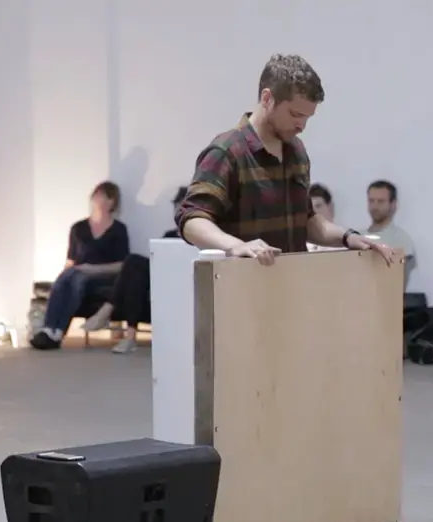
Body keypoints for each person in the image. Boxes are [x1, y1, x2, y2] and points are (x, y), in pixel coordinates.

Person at [175, 53, 396, 266]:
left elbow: (307, 221)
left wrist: (348, 237)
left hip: (292, 289)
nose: (302, 126)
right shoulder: (227, 151)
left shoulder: (296, 151)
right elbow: (192, 219)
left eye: (307, 117)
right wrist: (236, 246)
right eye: (295, 115)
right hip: (243, 292)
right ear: (267, 99)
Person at [83, 185, 187, 354]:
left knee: (134, 264)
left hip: (180, 284)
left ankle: (107, 311)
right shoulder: (169, 236)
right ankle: (129, 336)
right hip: (159, 281)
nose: (179, 212)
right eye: (177, 207)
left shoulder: (201, 238)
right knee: (133, 266)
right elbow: (157, 264)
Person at [30, 181, 130, 350]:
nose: (100, 201)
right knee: (71, 279)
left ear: (112, 202)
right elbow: (70, 261)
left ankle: (56, 331)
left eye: (105, 197)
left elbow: (122, 265)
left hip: (103, 277)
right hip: (78, 275)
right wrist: (65, 276)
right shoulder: (78, 228)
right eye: (97, 196)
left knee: (78, 277)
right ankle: (51, 330)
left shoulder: (118, 230)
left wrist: (92, 269)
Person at [364, 180, 416, 287]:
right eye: (371, 201)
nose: (375, 206)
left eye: (381, 201)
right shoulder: (357, 236)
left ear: (393, 205)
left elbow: (396, 281)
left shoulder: (401, 239)